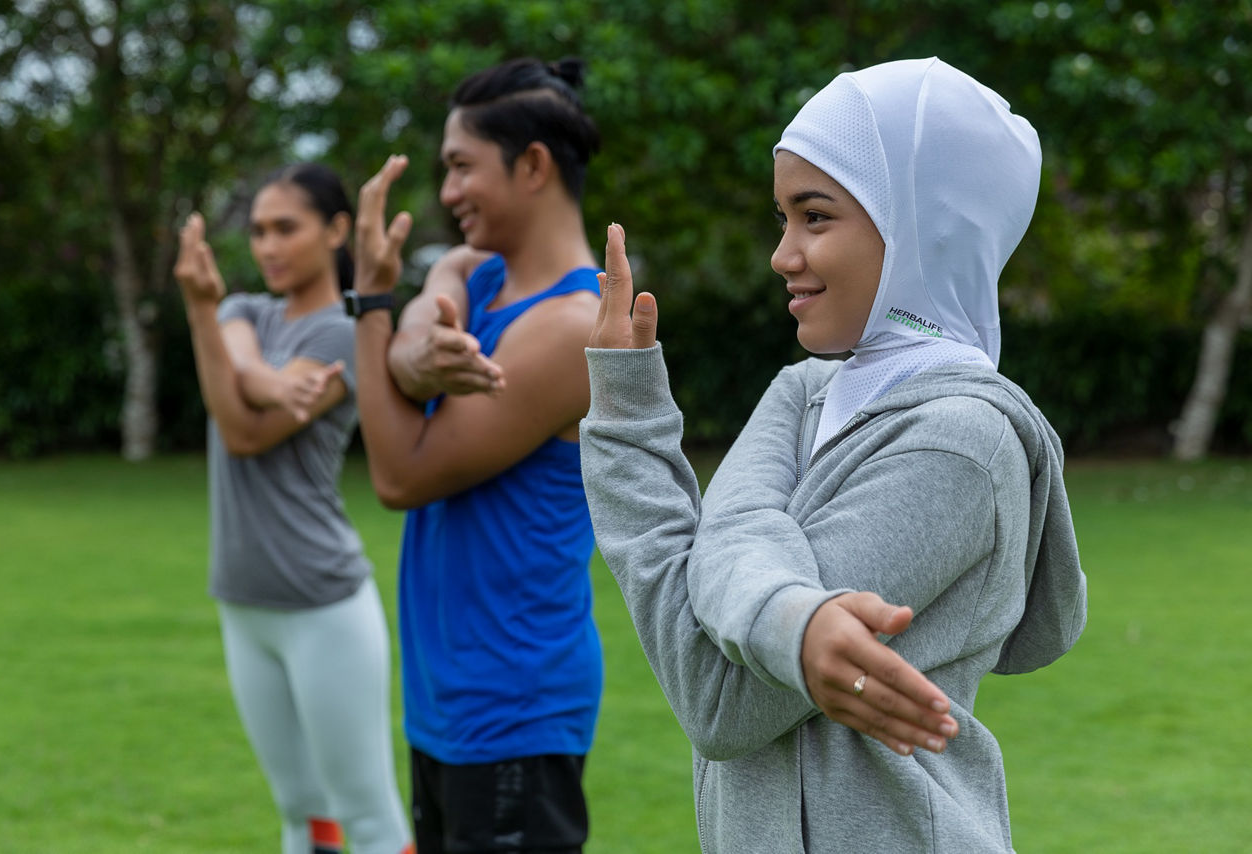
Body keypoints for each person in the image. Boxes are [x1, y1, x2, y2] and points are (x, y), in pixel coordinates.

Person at [579, 57, 1088, 853]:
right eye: (783, 218)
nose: (783, 254)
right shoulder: (807, 390)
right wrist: (793, 618)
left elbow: (719, 699)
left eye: (815, 217)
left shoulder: (961, 442)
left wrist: (629, 436)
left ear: (921, 224)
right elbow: (732, 534)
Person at [345, 58, 603, 853]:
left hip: (514, 707)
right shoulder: (479, 278)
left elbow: (399, 474)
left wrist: (373, 306)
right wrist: (411, 344)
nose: (447, 191)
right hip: (449, 702)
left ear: (532, 165)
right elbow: (441, 287)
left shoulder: (570, 327)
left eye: (462, 167)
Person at [173, 163, 413, 854]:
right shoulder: (242, 310)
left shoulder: (343, 336)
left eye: (287, 228)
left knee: (366, 814)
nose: (268, 246)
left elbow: (243, 432)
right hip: (243, 601)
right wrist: (272, 384)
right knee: (302, 816)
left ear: (337, 230)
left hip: (322, 605)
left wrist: (210, 331)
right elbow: (242, 376)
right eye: (257, 231)